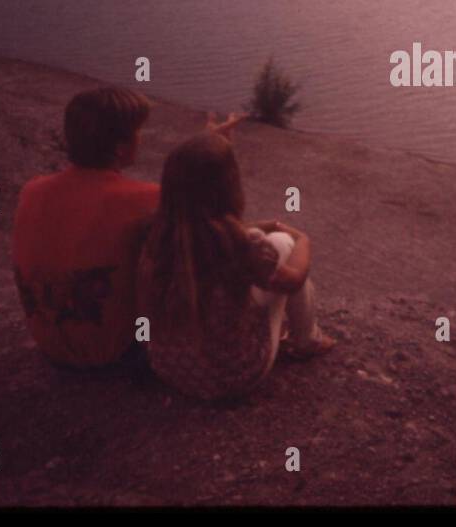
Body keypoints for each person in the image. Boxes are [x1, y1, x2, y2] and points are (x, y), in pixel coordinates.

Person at [137, 130, 335, 400]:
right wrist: (302, 239)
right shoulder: (243, 245)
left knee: (246, 273)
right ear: (228, 187)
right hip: (232, 377)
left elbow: (199, 229)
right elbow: (294, 279)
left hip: (169, 370)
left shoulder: (156, 233)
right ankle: (307, 341)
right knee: (282, 244)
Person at [11, 87, 159, 367]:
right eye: (138, 132)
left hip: (49, 343)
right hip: (117, 354)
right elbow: (208, 235)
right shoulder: (147, 198)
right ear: (121, 146)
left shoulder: (32, 190)